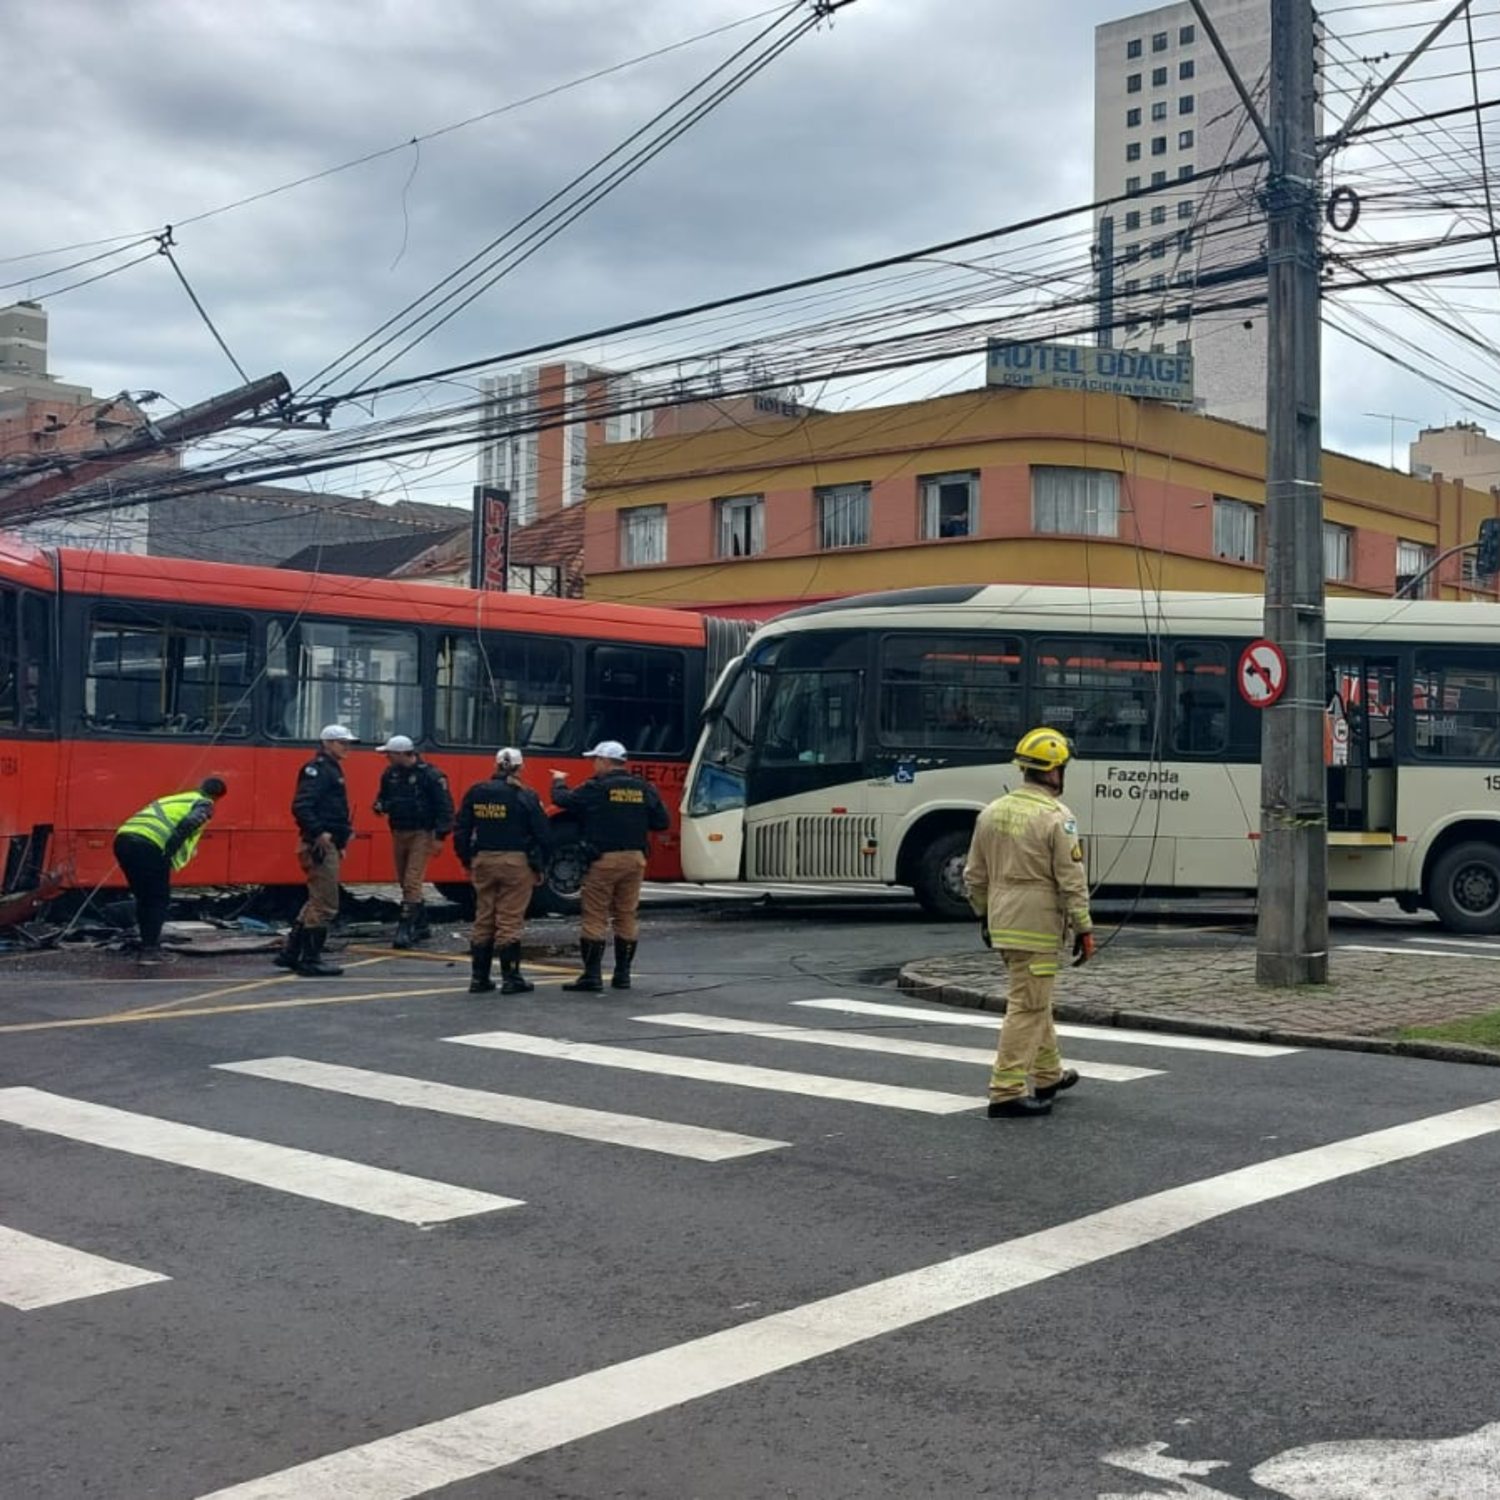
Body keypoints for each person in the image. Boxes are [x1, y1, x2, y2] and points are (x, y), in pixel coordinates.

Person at [963, 727, 1095, 1119]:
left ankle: (1049, 1073)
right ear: (1054, 772)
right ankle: (1005, 1091)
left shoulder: (991, 812)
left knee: (1034, 997)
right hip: (1037, 925)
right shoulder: (1057, 817)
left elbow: (974, 876)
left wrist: (984, 915)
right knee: (1028, 1004)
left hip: (1002, 921)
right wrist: (1084, 927)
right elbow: (1071, 879)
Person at [551, 740, 669, 992]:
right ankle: (622, 975)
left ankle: (592, 977)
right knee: (626, 915)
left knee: (595, 917)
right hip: (634, 859)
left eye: (595, 760)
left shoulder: (596, 787)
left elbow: (562, 799)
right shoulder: (643, 788)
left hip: (604, 860)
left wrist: (559, 780)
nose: (593, 764)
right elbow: (662, 822)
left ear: (605, 761)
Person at [453, 747, 551, 995]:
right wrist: (540, 865)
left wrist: (467, 859)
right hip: (515, 862)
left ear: (495, 765)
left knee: (483, 917)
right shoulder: (526, 795)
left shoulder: (477, 792)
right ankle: (511, 978)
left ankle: (479, 979)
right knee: (509, 919)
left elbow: (462, 829)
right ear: (520, 767)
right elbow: (543, 834)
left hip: (483, 860)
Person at [113, 777, 228, 964]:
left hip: (123, 841)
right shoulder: (204, 804)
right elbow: (188, 824)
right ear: (217, 797)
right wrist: (168, 852)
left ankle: (147, 943)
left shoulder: (177, 798)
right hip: (150, 845)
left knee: (145, 898)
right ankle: (149, 951)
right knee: (158, 899)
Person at [275, 724, 357, 978]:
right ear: (328, 743)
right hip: (319, 845)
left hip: (326, 842)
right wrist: (320, 832)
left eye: (348, 743)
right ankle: (310, 959)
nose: (347, 747)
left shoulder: (329, 768)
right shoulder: (318, 770)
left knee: (315, 901)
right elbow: (302, 805)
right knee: (326, 905)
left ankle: (291, 953)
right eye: (342, 743)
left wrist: (340, 841)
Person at [372, 733, 454, 949]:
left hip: (422, 833)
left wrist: (440, 836)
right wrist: (380, 806)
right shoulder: (390, 774)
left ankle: (405, 929)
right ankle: (421, 924)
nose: (386, 758)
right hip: (399, 831)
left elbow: (445, 808)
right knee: (404, 881)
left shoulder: (431, 776)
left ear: (401, 754)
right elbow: (383, 797)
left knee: (411, 881)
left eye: (389, 754)